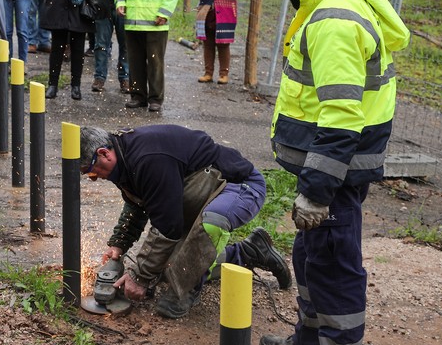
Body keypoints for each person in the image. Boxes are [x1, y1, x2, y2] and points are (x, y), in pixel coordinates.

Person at [262, 0, 409, 345]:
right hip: (330, 170)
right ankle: (309, 343)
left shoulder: (332, 21)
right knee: (309, 257)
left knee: (333, 266)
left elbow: (342, 117)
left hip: (336, 174)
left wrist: (317, 190)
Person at [79, 124, 291, 319]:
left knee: (211, 225)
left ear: (103, 153)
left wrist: (140, 277)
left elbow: (168, 227)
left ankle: (189, 287)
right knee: (167, 265)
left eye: (89, 170)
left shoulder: (148, 158)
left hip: (238, 188)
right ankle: (248, 252)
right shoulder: (123, 154)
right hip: (200, 194)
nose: (92, 177)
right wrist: (119, 243)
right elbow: (138, 203)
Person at [192, 0, 244, 85]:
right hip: (206, 15)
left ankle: (223, 74)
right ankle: (208, 74)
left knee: (223, 45)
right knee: (207, 45)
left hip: (225, 16)